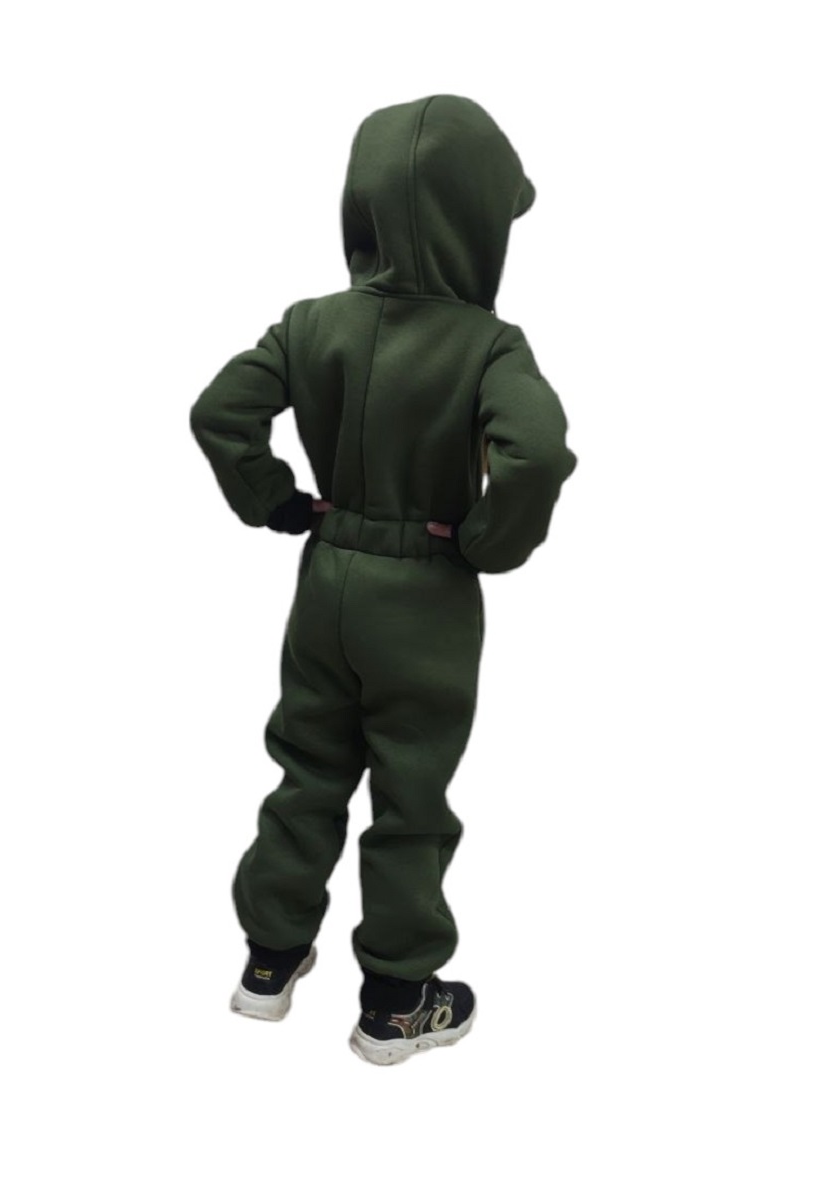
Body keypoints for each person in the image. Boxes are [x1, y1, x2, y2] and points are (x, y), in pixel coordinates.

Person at [189, 93, 578, 1066]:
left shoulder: (308, 323)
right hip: (425, 595)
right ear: (474, 218)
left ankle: (269, 961)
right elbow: (534, 454)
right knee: (410, 793)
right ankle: (399, 1002)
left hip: (325, 579)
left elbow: (219, 413)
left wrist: (278, 502)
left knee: (307, 768)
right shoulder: (488, 344)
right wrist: (487, 542)